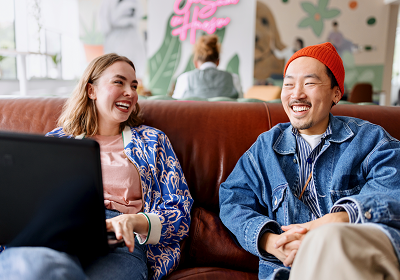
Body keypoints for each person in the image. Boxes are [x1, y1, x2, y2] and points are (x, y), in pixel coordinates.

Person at [0, 53, 193, 280]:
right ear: (91, 90)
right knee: (31, 267)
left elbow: (180, 211)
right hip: (59, 232)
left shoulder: (153, 141)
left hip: (121, 241)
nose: (130, 93)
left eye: (134, 85)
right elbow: (27, 203)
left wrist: (133, 220)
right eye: (119, 82)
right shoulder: (57, 142)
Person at [219, 42, 400, 280]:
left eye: (310, 82)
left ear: (336, 93)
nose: (296, 93)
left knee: (331, 237)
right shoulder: (265, 148)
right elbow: (233, 200)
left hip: (356, 253)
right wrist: (271, 242)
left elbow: (394, 186)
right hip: (291, 269)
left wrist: (337, 218)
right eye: (289, 84)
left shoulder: (370, 140)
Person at [172, 34, 243, 99]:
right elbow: (241, 104)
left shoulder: (184, 79)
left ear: (195, 63)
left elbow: (175, 106)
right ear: (218, 61)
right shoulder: (234, 78)